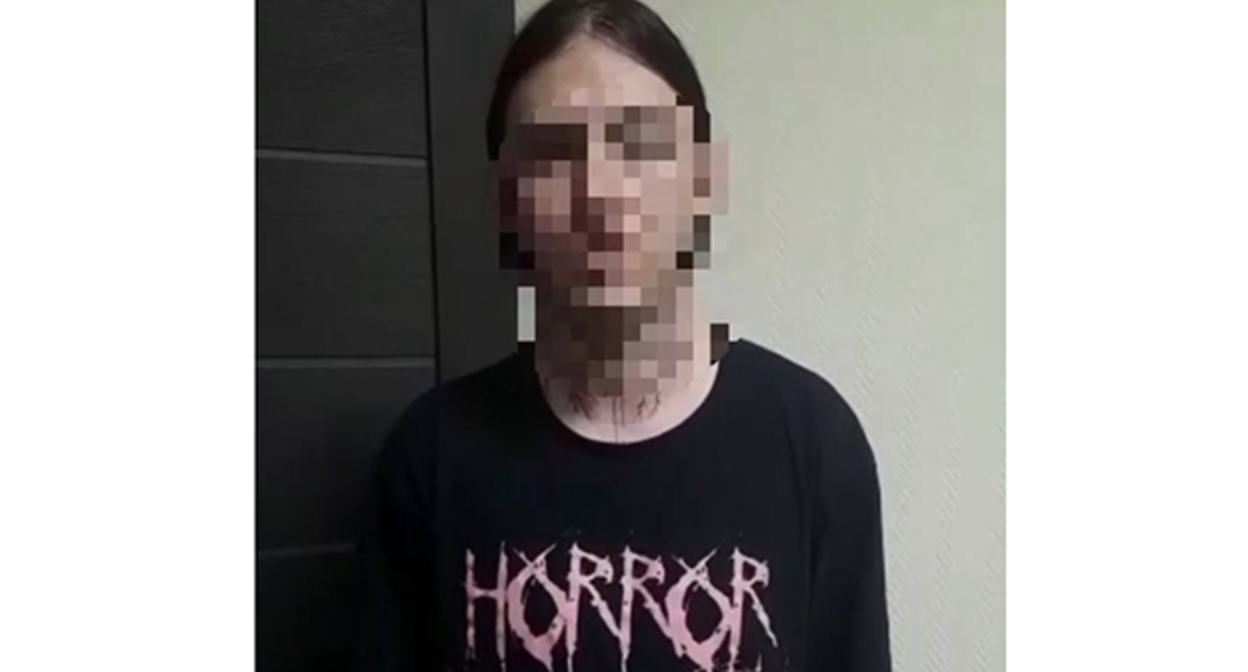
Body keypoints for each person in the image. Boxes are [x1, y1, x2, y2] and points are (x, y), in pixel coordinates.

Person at [356, 1, 891, 670]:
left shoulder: (814, 443)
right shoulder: (429, 458)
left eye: (638, 144)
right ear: (505, 201)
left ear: (703, 181)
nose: (600, 193)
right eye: (553, 153)